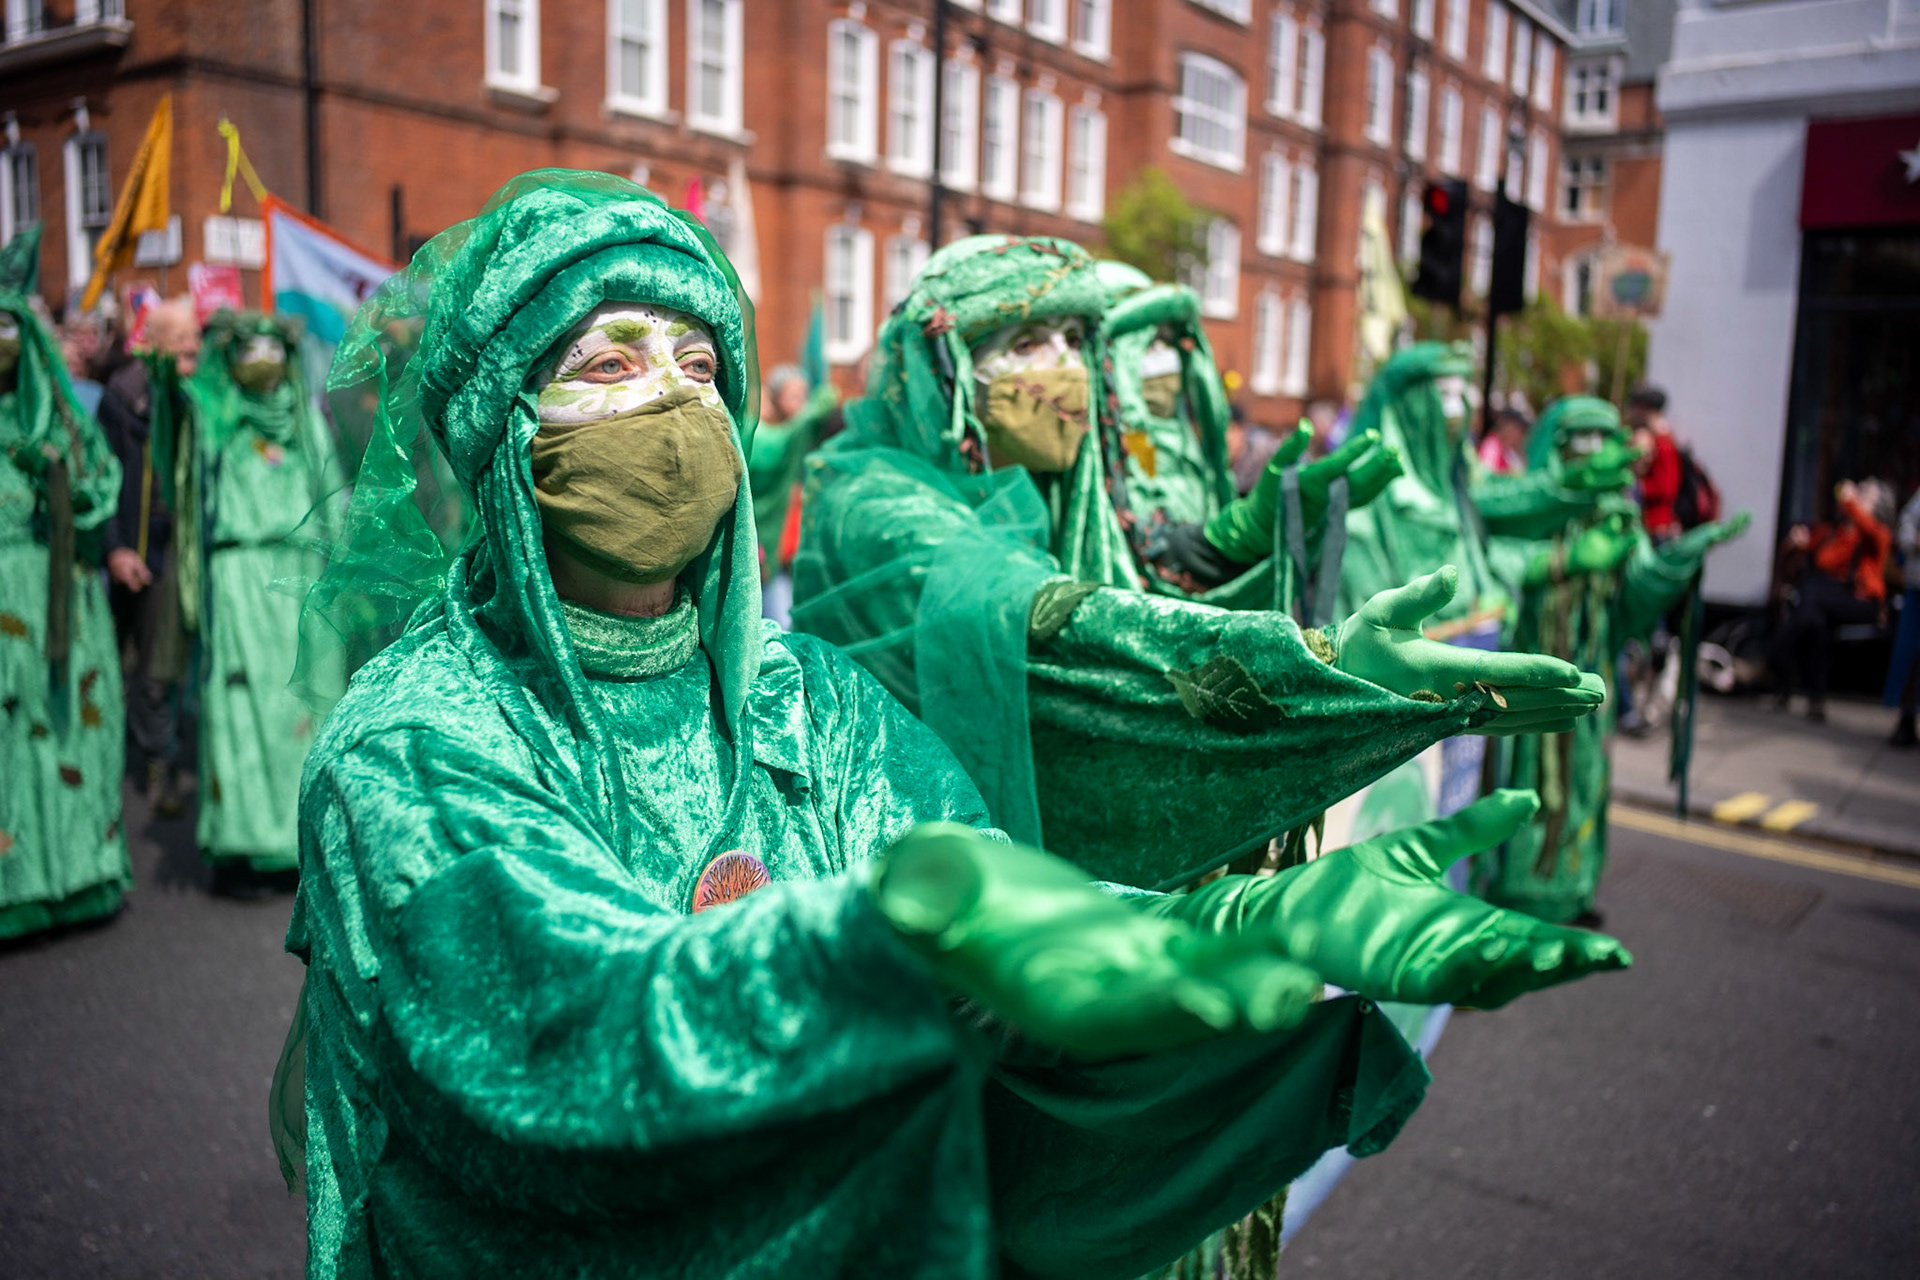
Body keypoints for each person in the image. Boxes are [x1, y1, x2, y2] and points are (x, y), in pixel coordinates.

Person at [273, 172, 1626, 1280]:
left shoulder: (808, 704)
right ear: (502, 418)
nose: (673, 403)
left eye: (699, 361)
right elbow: (575, 1032)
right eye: (610, 361)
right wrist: (895, 931)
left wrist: (1217, 934)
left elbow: (1009, 941)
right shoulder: (409, 748)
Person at [791, 235, 1603, 885]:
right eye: (1028, 341)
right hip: (897, 876)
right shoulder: (871, 499)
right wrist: (1315, 665)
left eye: (1077, 338)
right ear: (946, 370)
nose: (1069, 364)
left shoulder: (1041, 491)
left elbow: (1131, 566)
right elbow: (1052, 618)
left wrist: (1240, 537)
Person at [1474, 397, 1748, 925]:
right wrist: (1562, 561)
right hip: (1526, 678)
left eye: (1605, 440)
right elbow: (1492, 571)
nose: (1594, 451)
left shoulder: (1617, 516)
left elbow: (1632, 599)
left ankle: (1571, 890)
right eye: (1583, 439)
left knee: (1583, 781)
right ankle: (1517, 890)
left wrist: (1682, 557)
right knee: (1527, 782)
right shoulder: (1526, 506)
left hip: (1590, 679)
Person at [171, 310, 342, 892]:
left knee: (296, 713)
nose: (262, 363)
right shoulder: (215, 421)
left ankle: (296, 843)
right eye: (250, 351)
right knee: (241, 708)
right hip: (239, 576)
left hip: (298, 577)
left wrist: (339, 577)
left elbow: (332, 502)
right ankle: (242, 845)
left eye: (273, 349)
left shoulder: (305, 422)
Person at [0, 226, 131, 939]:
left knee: (68, 734)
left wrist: (57, 470)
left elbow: (98, 489)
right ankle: (17, 883)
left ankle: (78, 871)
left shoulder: (61, 420)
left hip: (62, 601)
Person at [97, 296, 201, 815]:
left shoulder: (200, 395)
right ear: (153, 343)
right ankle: (128, 765)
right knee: (127, 662)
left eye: (195, 339)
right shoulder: (124, 396)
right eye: (180, 339)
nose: (191, 348)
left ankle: (162, 759)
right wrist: (115, 547)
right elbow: (105, 479)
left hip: (181, 546)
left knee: (164, 664)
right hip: (138, 544)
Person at [1771, 479, 1893, 722]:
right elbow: (1809, 551)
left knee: (1811, 596)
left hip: (1860, 602)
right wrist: (1796, 543)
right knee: (1815, 621)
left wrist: (1849, 500)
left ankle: (1774, 659)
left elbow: (1866, 525)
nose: (1857, 496)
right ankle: (1816, 700)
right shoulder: (1834, 531)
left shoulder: (1877, 533)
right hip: (1827, 599)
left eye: (1865, 495)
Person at [747, 361, 837, 625]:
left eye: (804, 396)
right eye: (794, 396)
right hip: (758, 551)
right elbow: (825, 400)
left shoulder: (795, 436)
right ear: (774, 397)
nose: (801, 404)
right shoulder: (764, 438)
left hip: (783, 553)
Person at [1885, 487, 1920, 747]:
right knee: (1910, 653)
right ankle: (1906, 718)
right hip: (1918, 587)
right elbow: (1907, 522)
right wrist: (1915, 541)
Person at [1626, 385, 1683, 542]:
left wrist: (1637, 486)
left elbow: (1667, 488)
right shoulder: (1657, 439)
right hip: (1649, 523)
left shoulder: (1663, 443)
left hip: (1658, 526)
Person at [1477, 406, 1530, 475]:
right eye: (1518, 430)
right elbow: (1486, 475)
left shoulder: (1513, 450)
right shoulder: (1492, 446)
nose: (1521, 435)